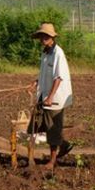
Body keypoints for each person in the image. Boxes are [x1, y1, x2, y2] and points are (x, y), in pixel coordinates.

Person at [30, 23, 74, 170]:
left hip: (55, 99)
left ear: (52, 38)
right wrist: (36, 83)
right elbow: (44, 74)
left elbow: (58, 78)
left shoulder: (57, 54)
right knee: (43, 126)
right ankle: (64, 144)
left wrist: (50, 97)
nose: (43, 39)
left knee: (53, 129)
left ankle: (52, 161)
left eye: (46, 36)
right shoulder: (45, 53)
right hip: (44, 95)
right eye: (42, 36)